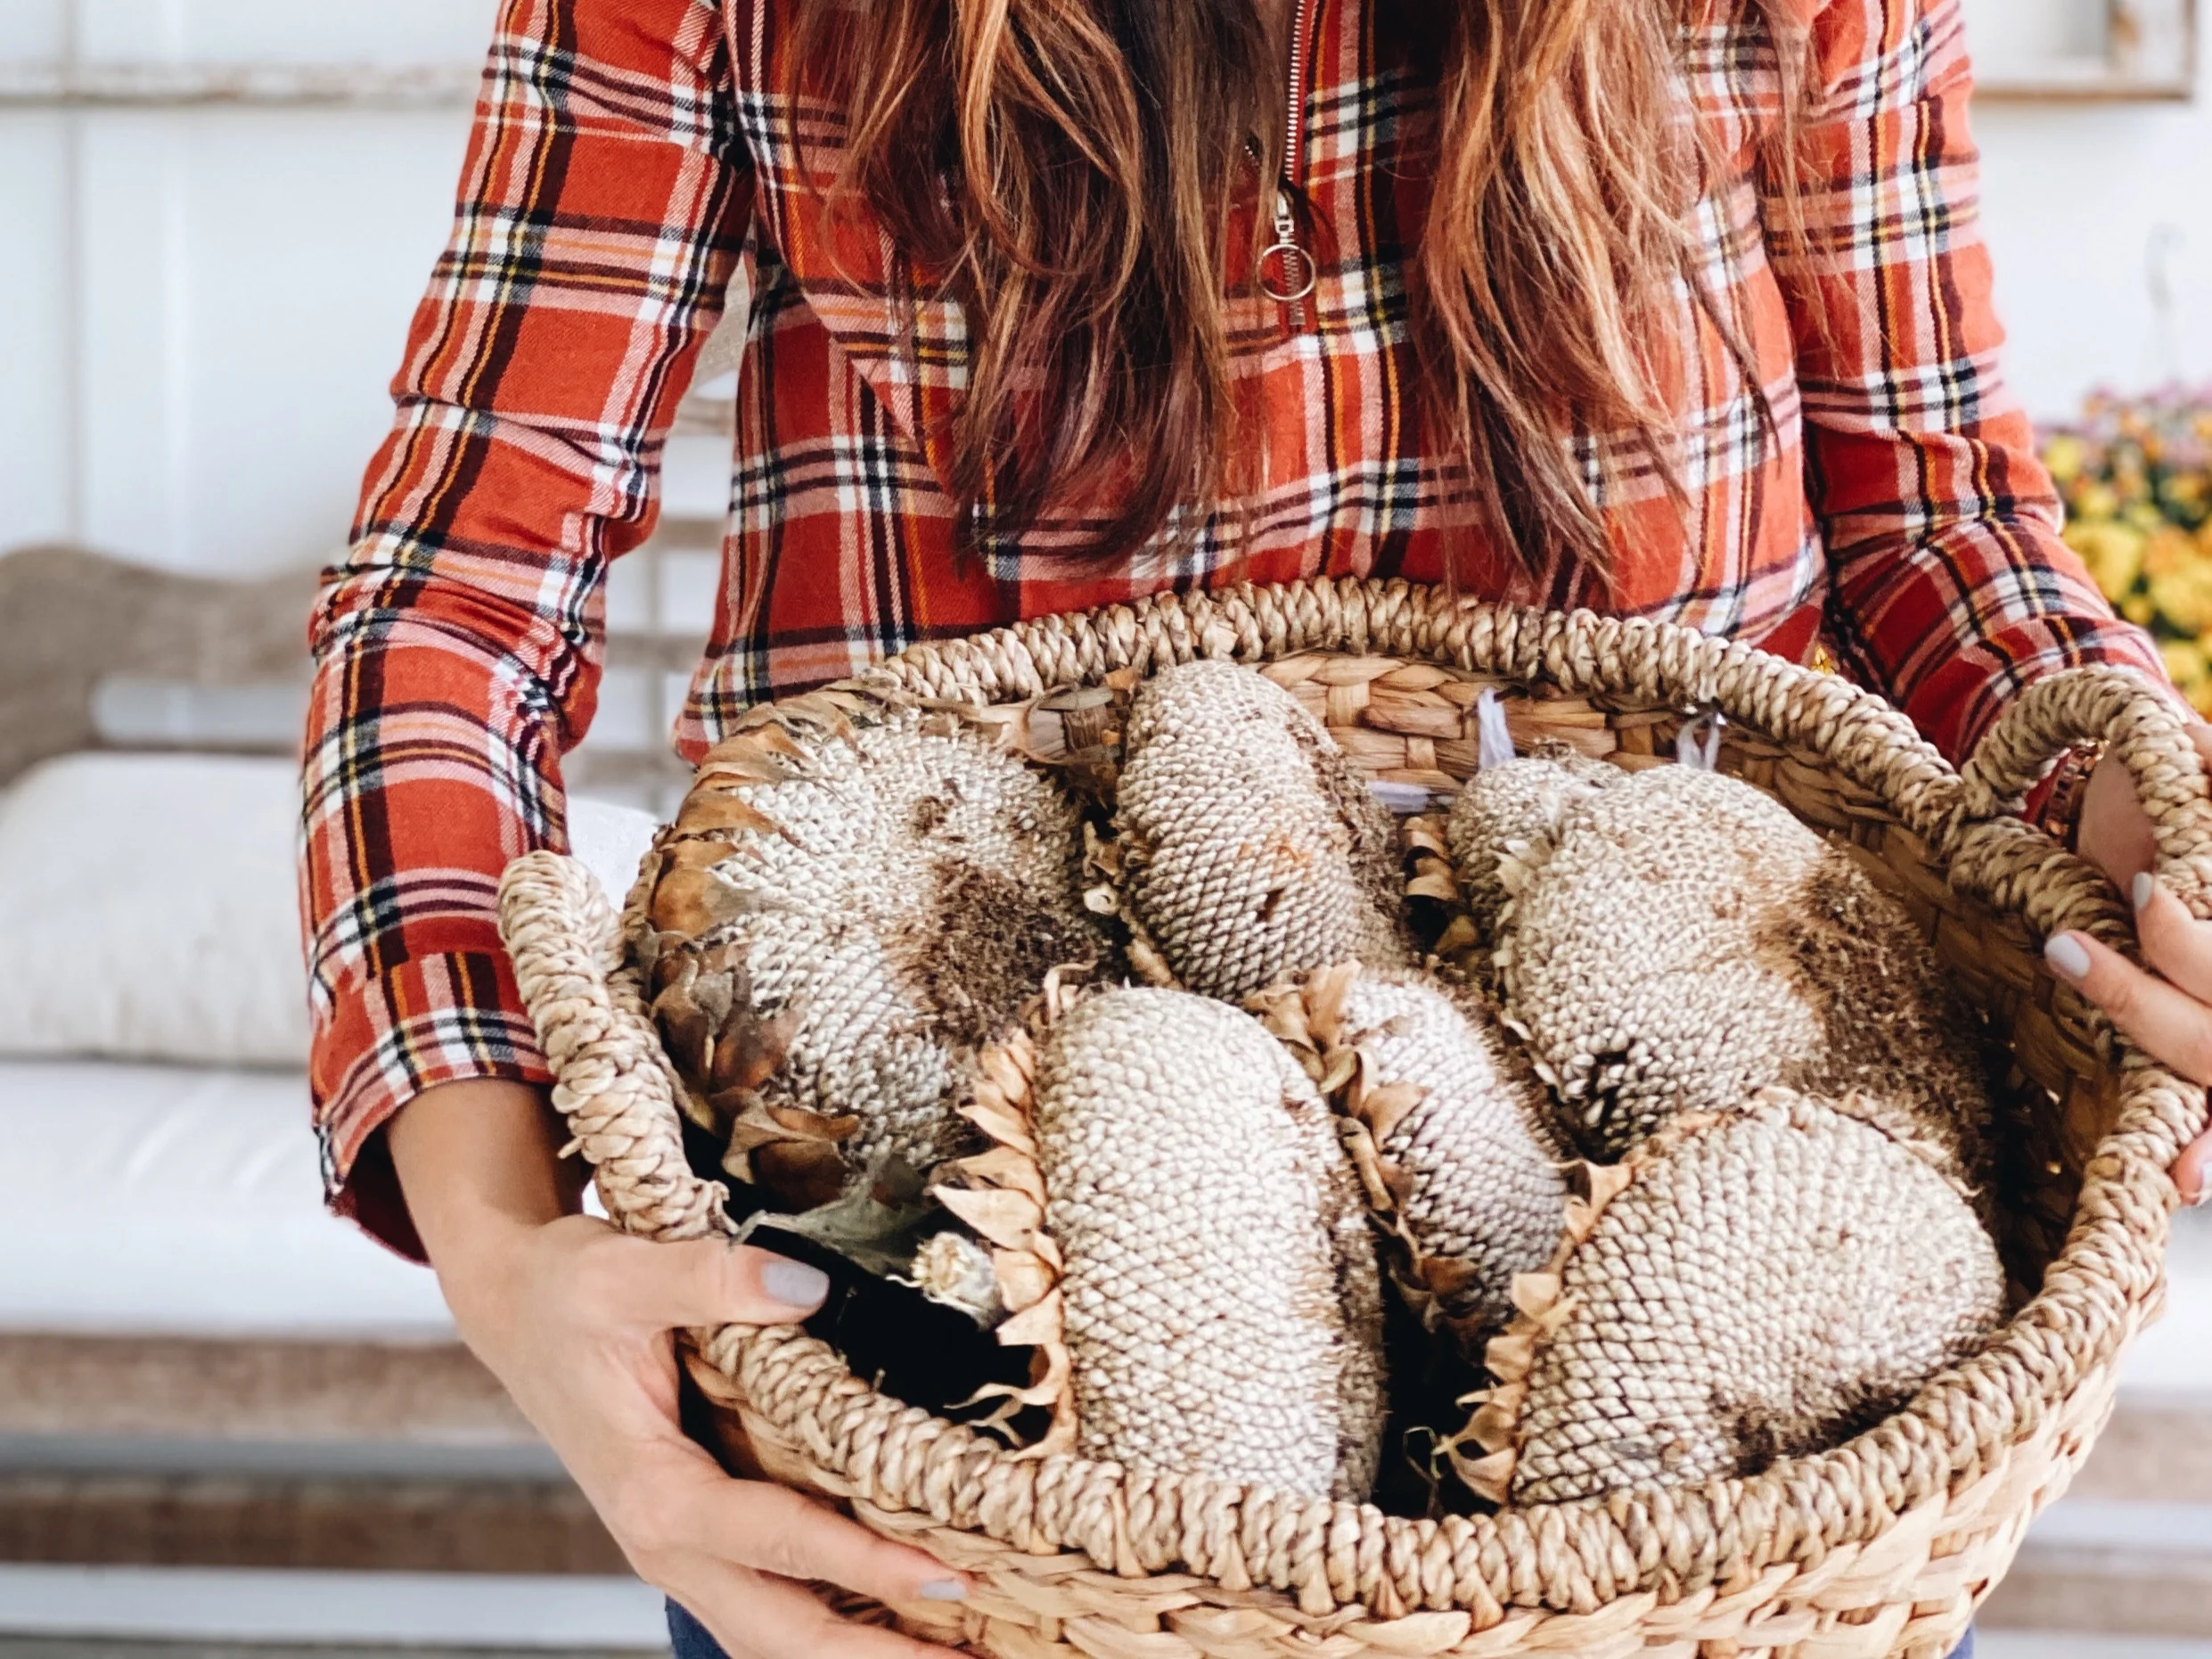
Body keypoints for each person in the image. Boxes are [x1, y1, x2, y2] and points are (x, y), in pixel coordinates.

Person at [299, 1, 2212, 1655]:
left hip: (1730, 1383)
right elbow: (457, 592)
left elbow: (1935, 518)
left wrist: (2153, 824)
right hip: (945, 1380)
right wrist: (507, 1255)